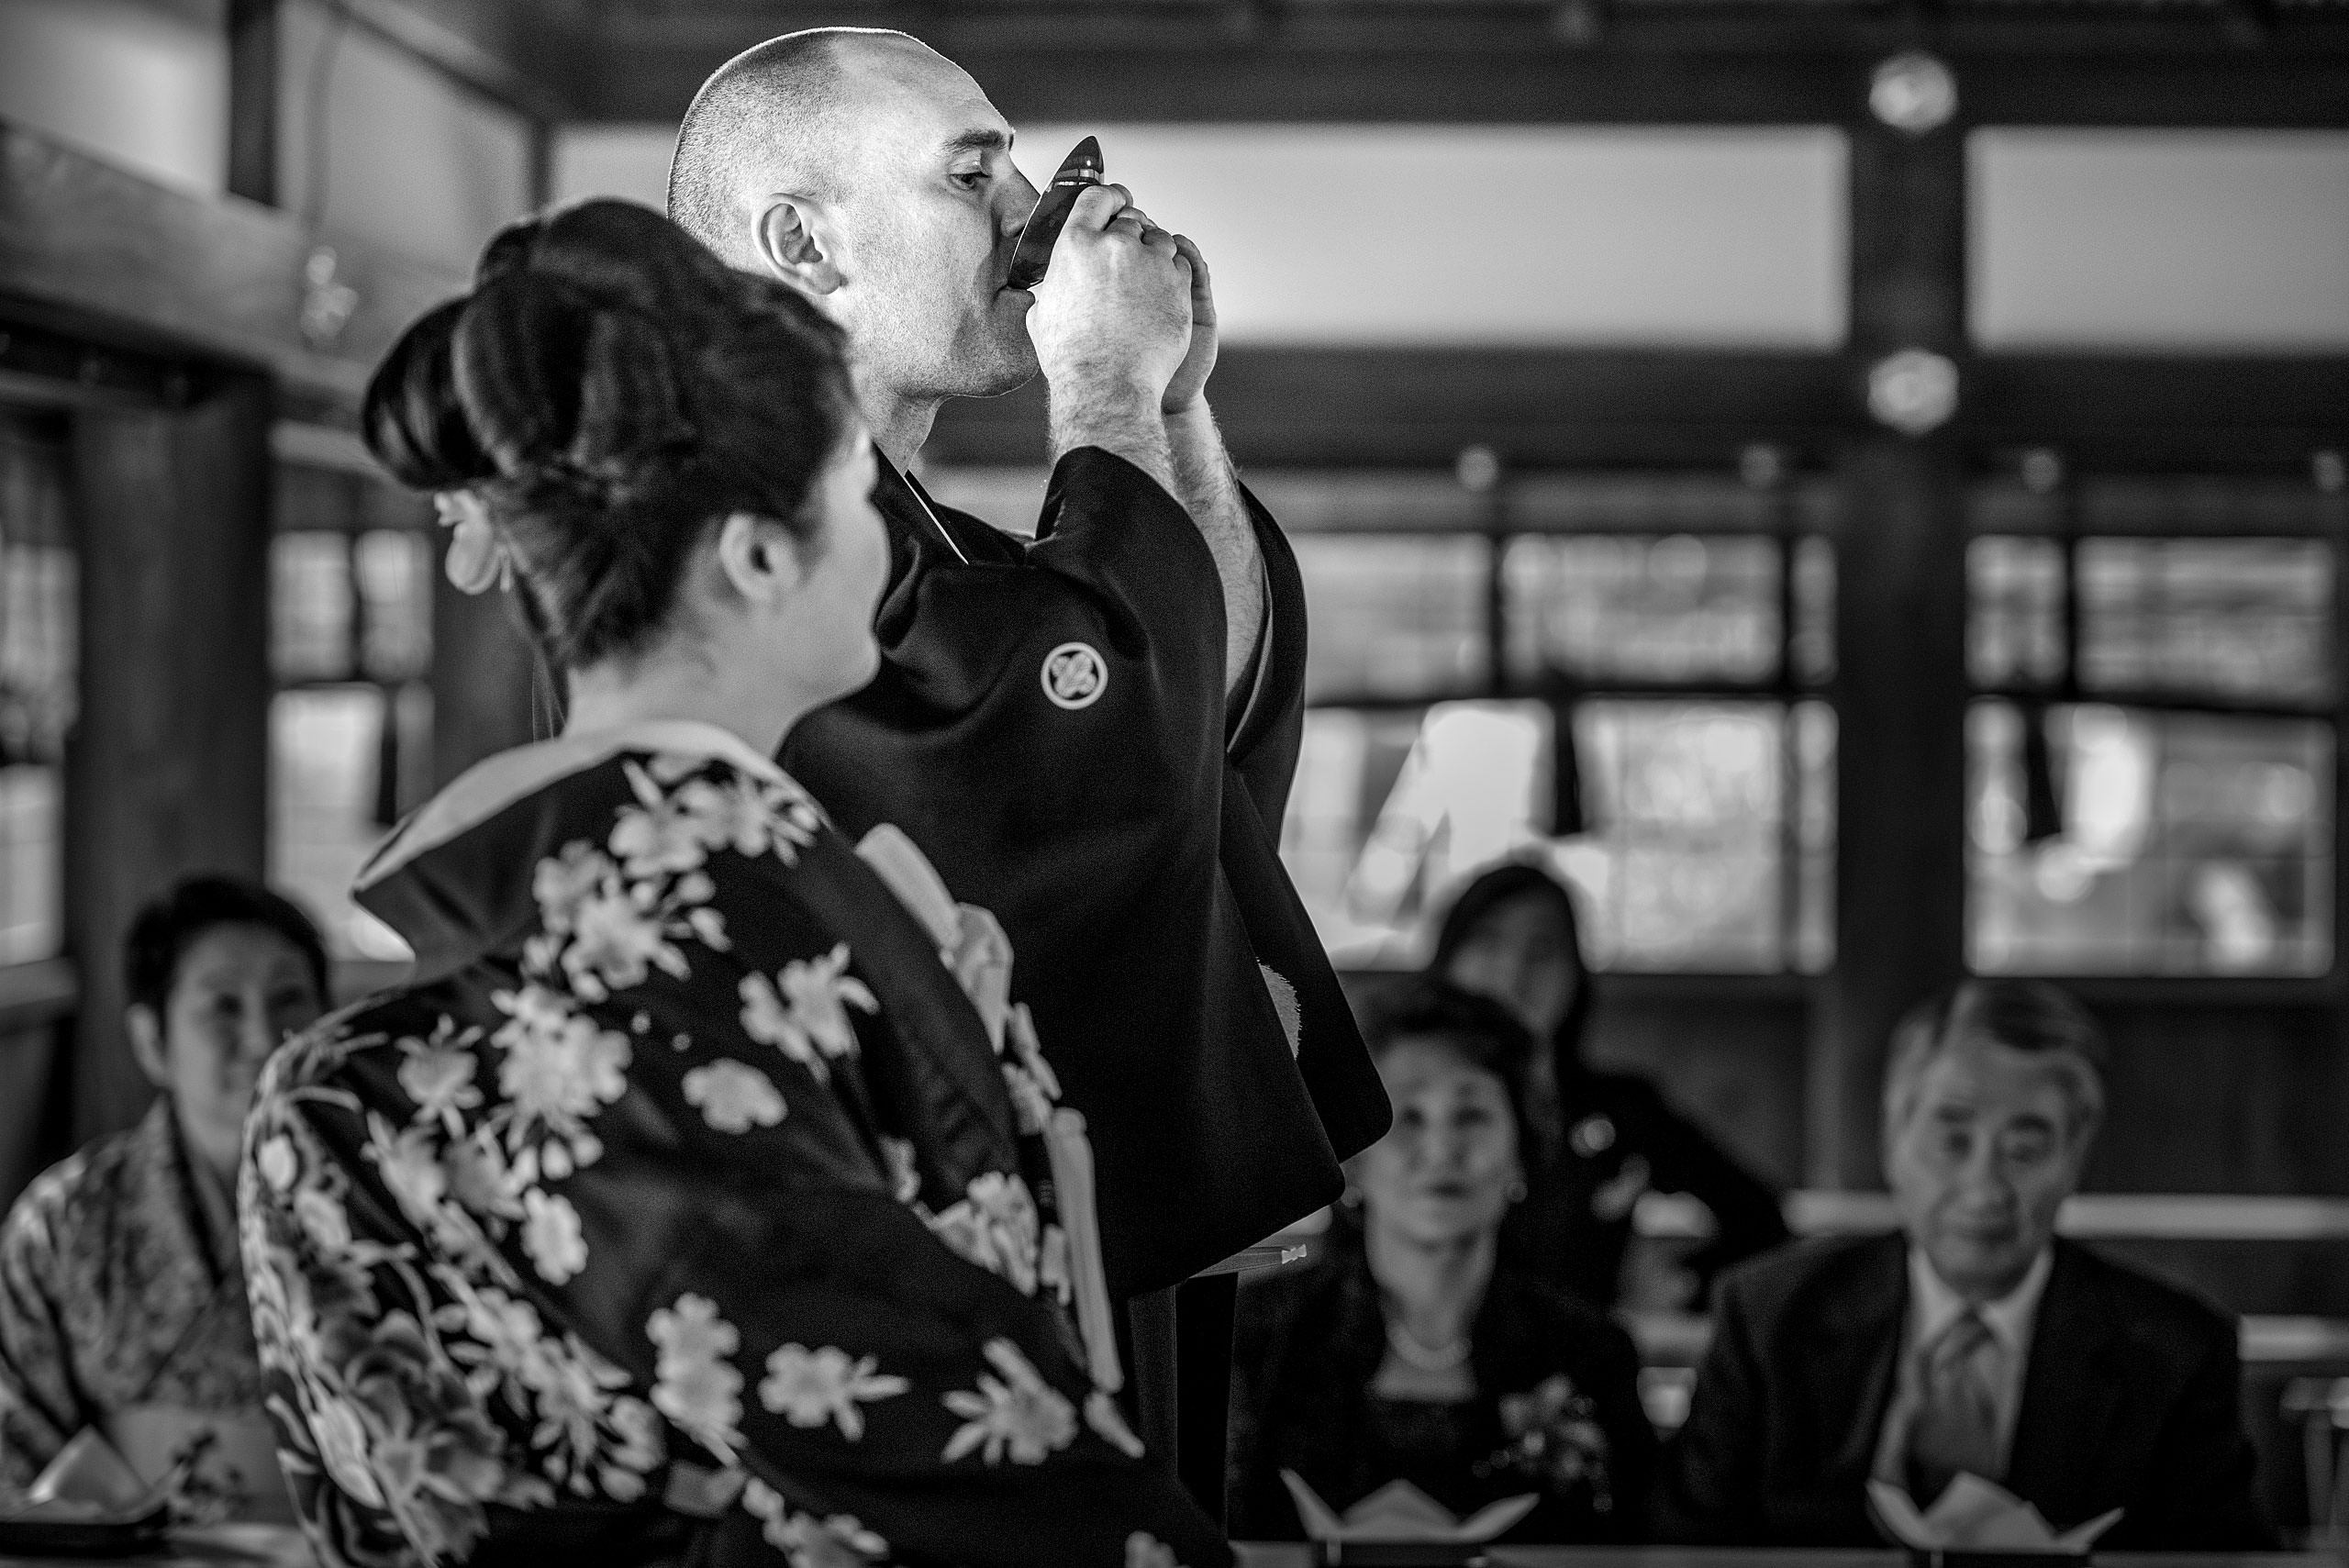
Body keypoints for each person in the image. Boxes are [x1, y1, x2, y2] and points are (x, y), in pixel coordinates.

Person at [239, 200, 1225, 1568]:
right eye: (854, 487)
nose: (893, 534)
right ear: (764, 557)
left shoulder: (335, 1082)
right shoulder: (731, 983)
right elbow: (995, 1490)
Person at [663, 33, 1390, 1340]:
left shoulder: (952, 558)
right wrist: (1101, 383)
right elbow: (1045, 770)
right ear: (806, 245)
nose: (1033, 213)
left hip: (1070, 1245)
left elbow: (1182, 710)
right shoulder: (722, 548)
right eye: (972, 172)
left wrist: (1167, 412)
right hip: (874, 1282)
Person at [1658, 979, 2274, 1550]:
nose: (1985, 1186)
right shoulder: (1770, 1318)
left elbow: (2223, 1561)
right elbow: (1687, 1550)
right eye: (1953, 1140)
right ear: (1893, 1134)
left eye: (2025, 1149)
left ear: (2077, 1151)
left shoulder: (2175, 1351)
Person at [1228, 979, 1654, 1545]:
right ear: (1354, 1163)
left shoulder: (1588, 1351)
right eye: (1409, 1117)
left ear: (1522, 1151)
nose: (1441, 1149)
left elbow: (1634, 1549)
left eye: (1472, 1115)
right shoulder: (1258, 1335)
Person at [0, 874, 328, 1519]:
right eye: (223, 1006)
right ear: (153, 1040)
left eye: (290, 997)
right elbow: (13, 1462)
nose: (265, 1037)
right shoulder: (67, 1222)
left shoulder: (385, 1207)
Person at [1432, 862, 1788, 1309]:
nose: (1514, 968)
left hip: (1573, 1367)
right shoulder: (1398, 1108)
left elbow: (1761, 1219)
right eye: (1489, 940)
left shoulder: (1620, 1111)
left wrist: (1684, 1283)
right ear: (1448, 959)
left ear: (1576, 973)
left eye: (1543, 948)